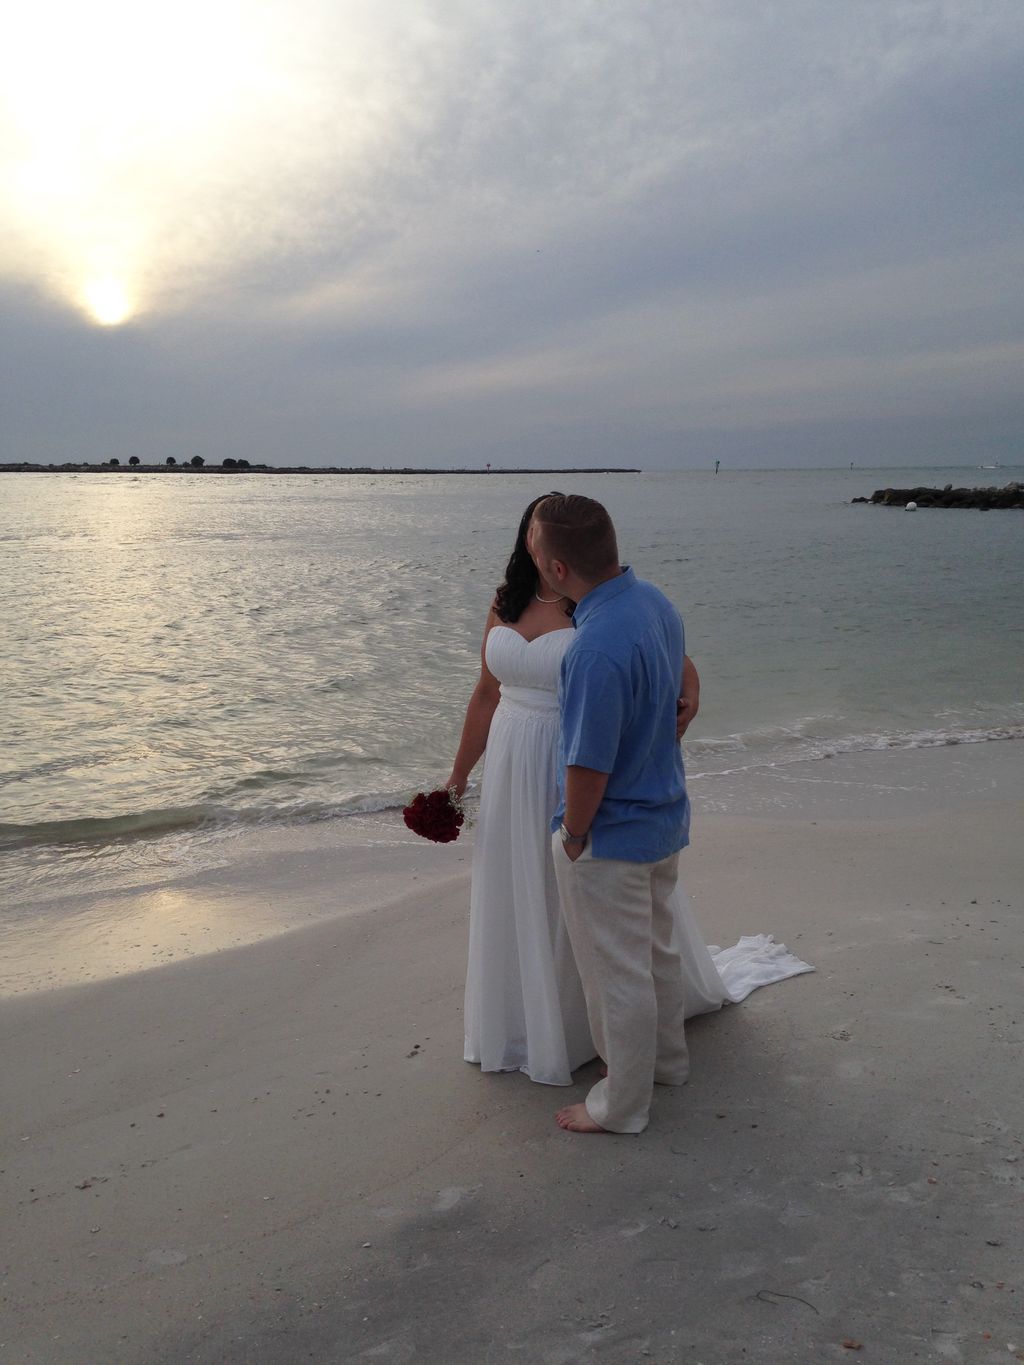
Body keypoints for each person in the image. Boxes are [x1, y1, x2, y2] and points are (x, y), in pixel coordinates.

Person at [447, 495, 810, 1090]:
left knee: (590, 908)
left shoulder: (600, 605)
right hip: (513, 765)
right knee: (524, 892)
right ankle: (534, 1023)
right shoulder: (506, 601)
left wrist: (690, 694)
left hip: (574, 760)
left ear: (556, 556)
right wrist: (458, 777)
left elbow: (671, 658)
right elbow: (487, 694)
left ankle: (603, 1043)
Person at [525, 494, 711, 1133]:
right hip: (663, 814)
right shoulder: (652, 601)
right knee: (655, 955)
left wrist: (573, 835)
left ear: (555, 570)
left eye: (534, 546)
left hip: (615, 830)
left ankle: (622, 1104)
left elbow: (587, 764)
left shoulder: (593, 647)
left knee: (616, 975)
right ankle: (665, 1062)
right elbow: (684, 680)